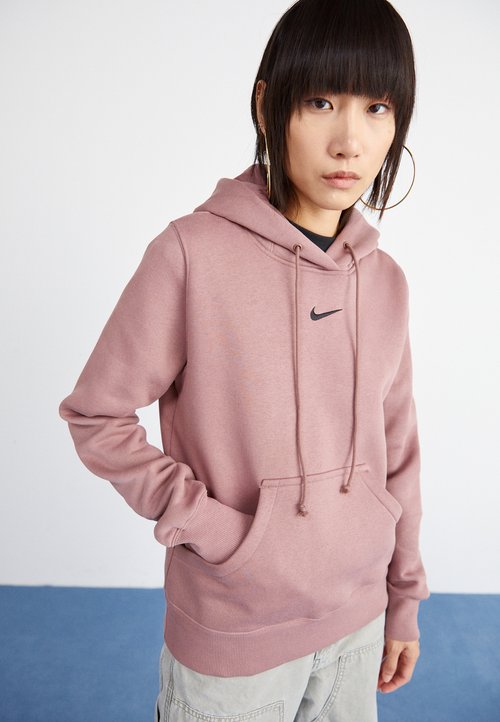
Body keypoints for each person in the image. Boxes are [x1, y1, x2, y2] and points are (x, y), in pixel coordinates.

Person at [58, 0, 431, 719]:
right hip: (234, 629)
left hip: (358, 622)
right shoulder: (191, 255)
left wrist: (404, 597)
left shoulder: (384, 281)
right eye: (321, 102)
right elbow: (96, 416)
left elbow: (399, 448)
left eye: (377, 108)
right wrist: (220, 533)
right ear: (268, 105)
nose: (349, 141)